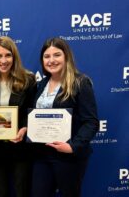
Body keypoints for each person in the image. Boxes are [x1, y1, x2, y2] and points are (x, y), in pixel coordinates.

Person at [30, 37, 99, 197]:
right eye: (47, 56)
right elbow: (36, 116)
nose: (51, 60)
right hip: (42, 154)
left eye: (57, 55)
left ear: (66, 56)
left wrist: (73, 146)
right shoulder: (41, 84)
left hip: (68, 156)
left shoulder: (80, 82)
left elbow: (91, 122)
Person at [0, 36, 36, 197]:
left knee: (21, 192)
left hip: (20, 148)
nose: (3, 60)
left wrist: (24, 128)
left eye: (7, 55)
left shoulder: (28, 80)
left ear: (14, 56)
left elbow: (31, 111)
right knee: (1, 192)